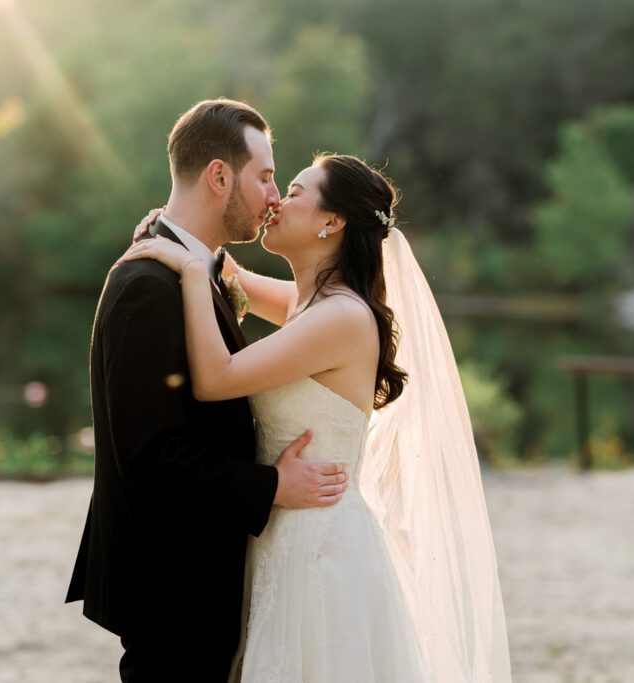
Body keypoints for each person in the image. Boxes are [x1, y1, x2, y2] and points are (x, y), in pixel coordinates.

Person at [120, 152, 512, 682]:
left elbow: (215, 378)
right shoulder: (311, 305)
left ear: (332, 223)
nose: (279, 199)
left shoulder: (342, 317)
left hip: (319, 546)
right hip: (285, 530)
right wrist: (180, 236)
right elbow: (230, 276)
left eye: (298, 192)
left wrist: (189, 272)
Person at [65, 98, 350, 683]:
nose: (274, 196)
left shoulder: (203, 272)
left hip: (202, 576)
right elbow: (148, 456)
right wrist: (273, 485)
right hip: (171, 585)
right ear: (219, 177)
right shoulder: (147, 285)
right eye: (267, 176)